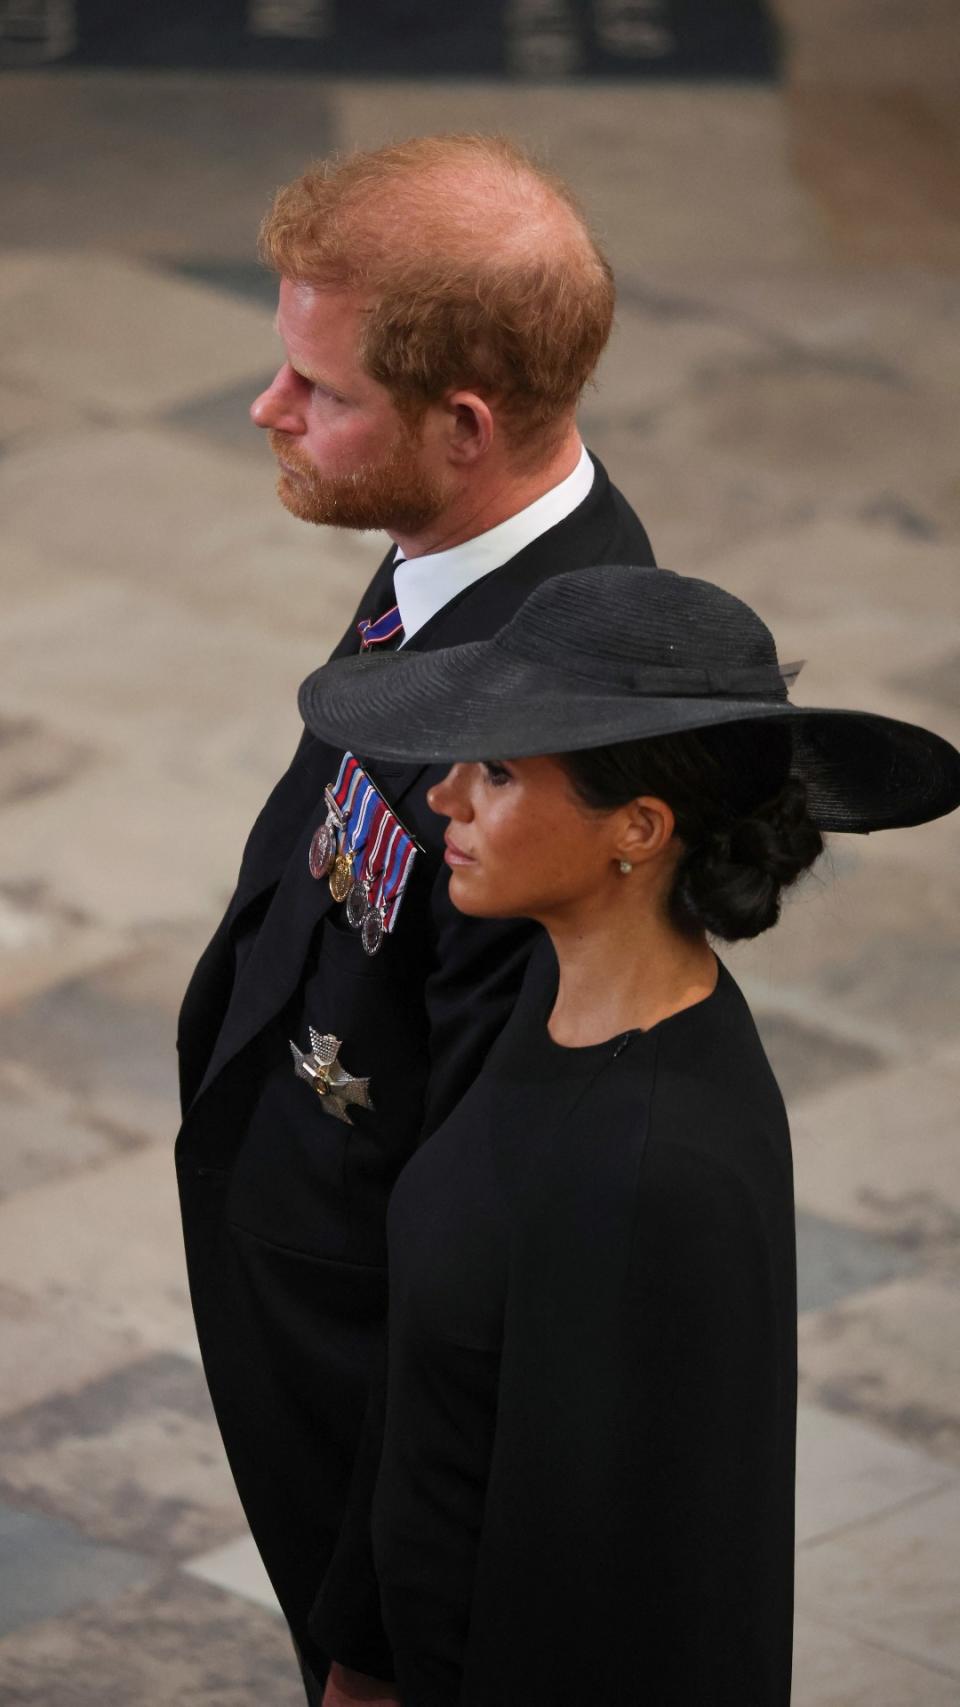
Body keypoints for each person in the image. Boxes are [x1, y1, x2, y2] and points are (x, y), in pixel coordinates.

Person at [296, 563, 960, 1705]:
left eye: (497, 772)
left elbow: (613, 1602)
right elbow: (436, 1398)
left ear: (638, 830)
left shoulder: (655, 1167)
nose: (445, 798)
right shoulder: (547, 1012)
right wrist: (361, 1660)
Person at [174, 134, 655, 1705]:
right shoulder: (458, 549)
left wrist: (373, 1628)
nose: (271, 410)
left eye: (320, 391)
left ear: (465, 424)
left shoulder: (550, 747)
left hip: (365, 1377)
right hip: (302, 1287)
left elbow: (481, 1231)